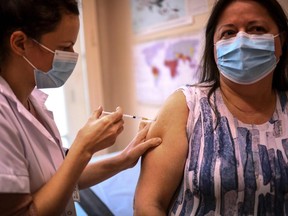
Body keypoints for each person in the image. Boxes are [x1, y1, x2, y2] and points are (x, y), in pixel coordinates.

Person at [0, 0, 162, 215]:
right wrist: (83, 148)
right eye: (64, 47)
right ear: (20, 43)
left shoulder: (32, 101)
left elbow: (63, 178)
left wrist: (124, 159)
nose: (73, 55)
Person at [134, 0, 288, 215]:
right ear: (214, 48)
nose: (241, 40)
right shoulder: (185, 106)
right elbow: (148, 204)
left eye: (257, 29)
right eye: (228, 32)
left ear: (281, 39)